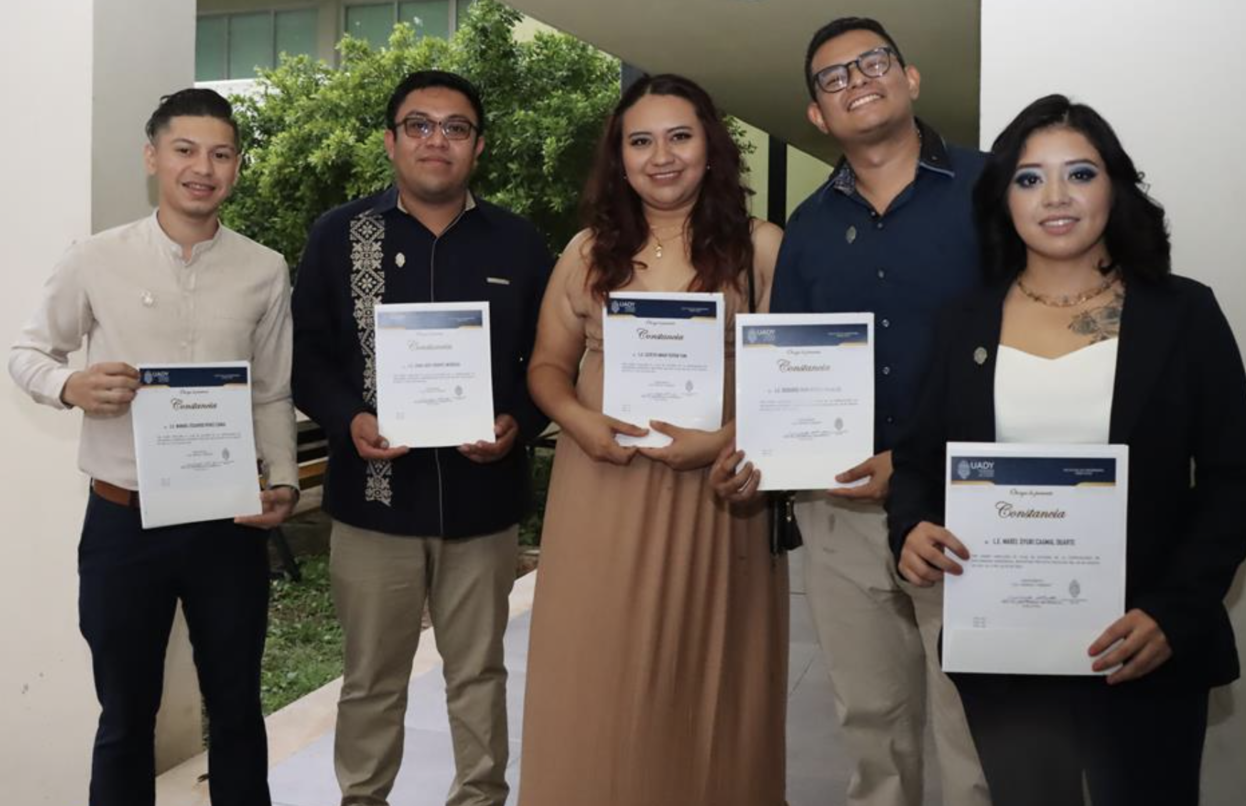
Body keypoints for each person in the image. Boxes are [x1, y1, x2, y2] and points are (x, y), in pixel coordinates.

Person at [887, 94, 1246, 806]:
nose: (1055, 197)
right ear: (1003, 197)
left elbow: (1232, 481)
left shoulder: (1183, 314)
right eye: (1029, 178)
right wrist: (910, 529)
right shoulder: (961, 322)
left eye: (1080, 174)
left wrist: (1173, 612)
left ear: (1114, 188)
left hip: (1139, 645)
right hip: (1004, 646)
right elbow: (915, 462)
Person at [712, 17, 989, 806]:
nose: (856, 80)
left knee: (970, 723)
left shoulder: (993, 192)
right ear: (817, 116)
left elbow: (1020, 344)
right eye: (833, 77)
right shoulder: (808, 226)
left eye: (872, 63)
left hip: (956, 504)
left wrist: (911, 464)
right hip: (840, 509)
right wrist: (761, 456)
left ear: (909, 78)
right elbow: (784, 368)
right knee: (870, 721)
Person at [8, 89, 297, 806]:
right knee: (125, 714)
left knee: (235, 707)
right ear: (153, 158)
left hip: (227, 523)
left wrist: (284, 483)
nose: (204, 167)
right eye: (185, 150)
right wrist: (69, 385)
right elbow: (26, 350)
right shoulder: (96, 258)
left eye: (221, 153)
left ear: (236, 166)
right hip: (123, 522)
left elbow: (270, 392)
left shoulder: (264, 268)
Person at [517, 73, 788, 806]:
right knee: (595, 668)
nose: (660, 156)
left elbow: (792, 382)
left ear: (712, 148)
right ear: (620, 156)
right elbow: (547, 366)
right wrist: (579, 423)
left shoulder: (762, 249)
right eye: (641, 140)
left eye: (680, 136)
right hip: (600, 487)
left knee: (705, 673)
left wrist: (726, 441)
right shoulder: (584, 252)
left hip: (718, 498)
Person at [291, 70, 551, 806]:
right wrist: (350, 419)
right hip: (375, 505)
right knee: (372, 676)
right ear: (391, 141)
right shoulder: (342, 235)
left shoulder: (519, 242)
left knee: (479, 675)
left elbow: (552, 359)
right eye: (420, 125)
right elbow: (306, 355)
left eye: (456, 127)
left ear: (478, 146)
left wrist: (519, 423)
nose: (438, 140)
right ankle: (363, 797)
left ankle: (479, 797)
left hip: (483, 503)